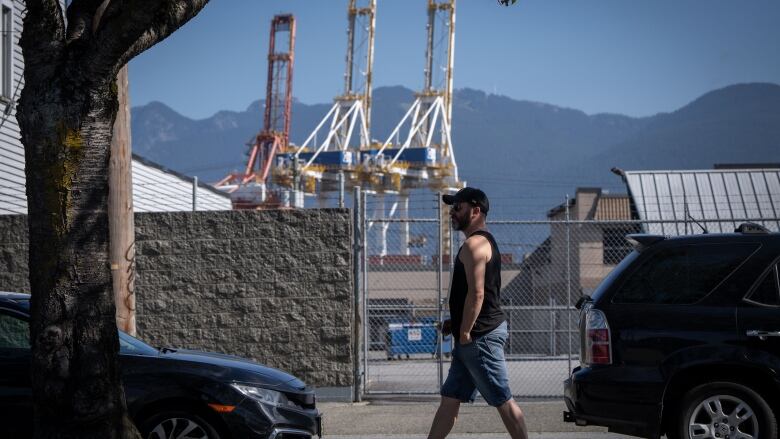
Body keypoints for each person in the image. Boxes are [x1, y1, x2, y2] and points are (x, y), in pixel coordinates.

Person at [428, 187, 528, 439]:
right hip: (471, 337)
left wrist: (464, 332)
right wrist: (457, 323)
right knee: (449, 401)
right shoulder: (479, 243)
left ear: (475, 211)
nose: (452, 212)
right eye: (452, 207)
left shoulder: (475, 245)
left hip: (479, 338)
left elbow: (478, 294)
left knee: (503, 400)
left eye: (457, 207)